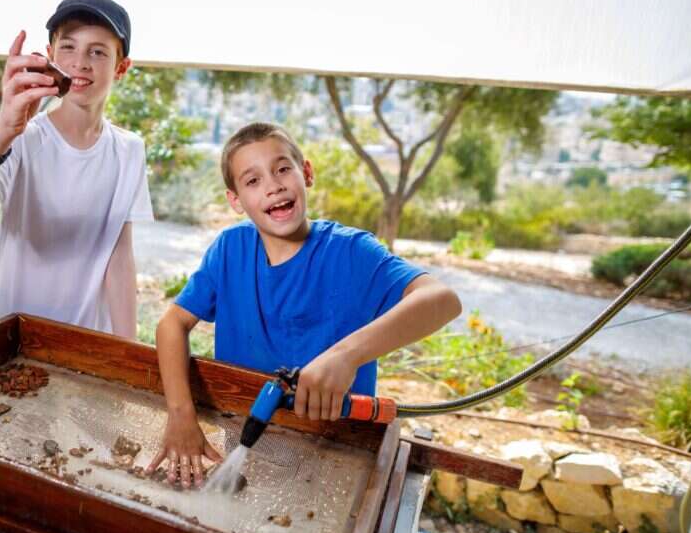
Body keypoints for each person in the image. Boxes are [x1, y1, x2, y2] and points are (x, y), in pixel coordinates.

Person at [148, 122, 462, 486]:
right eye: (252, 181)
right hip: (249, 449)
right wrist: (181, 415)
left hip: (337, 453)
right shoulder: (229, 250)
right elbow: (171, 324)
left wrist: (346, 355)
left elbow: (442, 300)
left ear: (306, 173)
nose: (273, 185)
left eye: (283, 169)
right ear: (235, 200)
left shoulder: (352, 252)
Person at [0, 0, 153, 337]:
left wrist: (128, 354)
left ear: (121, 67)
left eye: (98, 51)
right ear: (50, 54)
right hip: (13, 341)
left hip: (88, 343)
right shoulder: (21, 138)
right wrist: (1, 133)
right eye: (69, 47)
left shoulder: (129, 150)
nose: (81, 63)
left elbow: (119, 257)